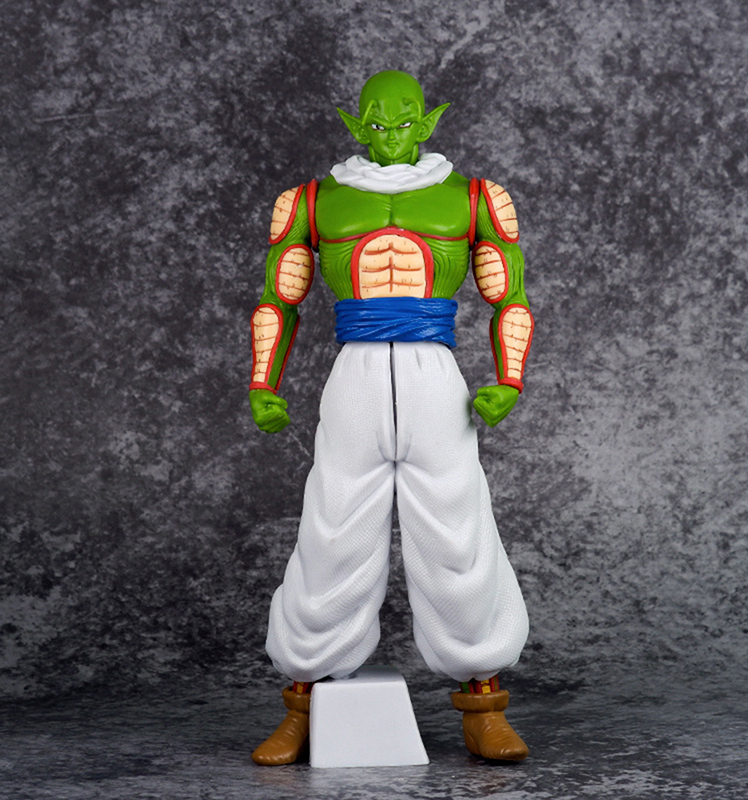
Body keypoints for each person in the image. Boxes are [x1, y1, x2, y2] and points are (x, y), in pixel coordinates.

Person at [249, 70, 534, 764]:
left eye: (404, 120)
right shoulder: (313, 201)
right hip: (354, 375)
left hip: (437, 377)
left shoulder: (473, 198)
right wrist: (263, 382)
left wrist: (508, 379)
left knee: (458, 531)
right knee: (331, 530)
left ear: (427, 122)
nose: (390, 133)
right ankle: (304, 701)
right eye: (375, 122)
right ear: (356, 125)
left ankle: (484, 702)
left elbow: (510, 296)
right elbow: (278, 298)